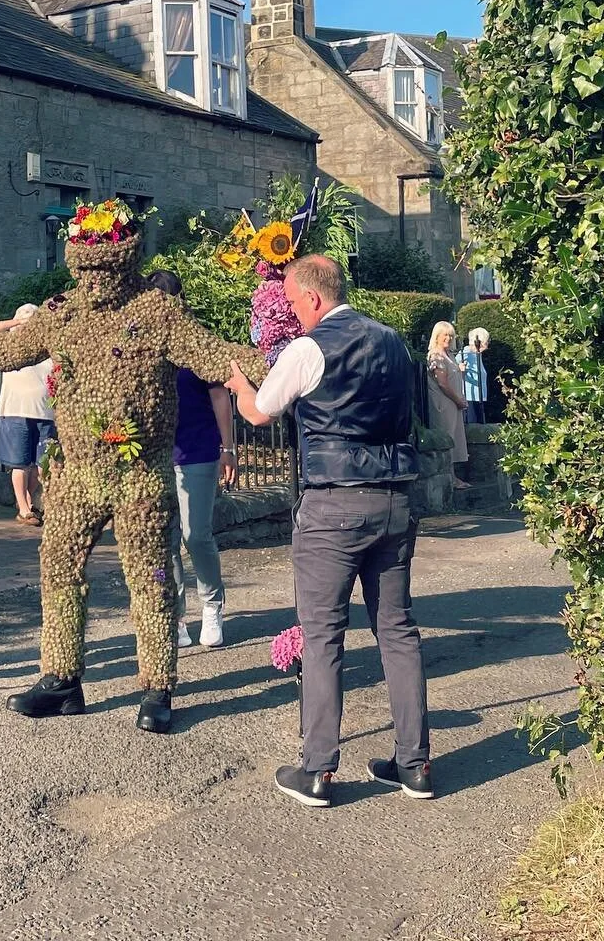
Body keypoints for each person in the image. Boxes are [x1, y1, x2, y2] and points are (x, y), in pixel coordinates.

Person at [0, 205, 265, 735]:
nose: (94, 280)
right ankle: (62, 678)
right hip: (73, 475)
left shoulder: (159, 313)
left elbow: (216, 356)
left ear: (126, 263)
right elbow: (11, 346)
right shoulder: (62, 313)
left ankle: (157, 686)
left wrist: (285, 363)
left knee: (151, 579)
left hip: (139, 475)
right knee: (58, 571)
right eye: (84, 270)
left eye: (104, 270)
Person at [227, 254, 432, 808]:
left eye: (293, 303)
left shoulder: (308, 347)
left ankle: (318, 769)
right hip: (394, 498)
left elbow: (261, 413)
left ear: (313, 298)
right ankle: (414, 765)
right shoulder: (394, 341)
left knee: (322, 637)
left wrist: (238, 382)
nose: (293, 313)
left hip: (333, 505)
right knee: (397, 630)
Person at [147, 270, 237, 649]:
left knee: (195, 535)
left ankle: (212, 606)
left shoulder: (195, 342)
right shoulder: (142, 342)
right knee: (163, 540)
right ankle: (176, 615)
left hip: (197, 449)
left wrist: (228, 448)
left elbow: (220, 396)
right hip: (153, 454)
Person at [0, 303, 56, 525]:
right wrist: (16, 323)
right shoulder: (9, 344)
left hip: (45, 411)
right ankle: (24, 509)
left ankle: (25, 499)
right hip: (15, 409)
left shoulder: (47, 345)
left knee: (41, 464)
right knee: (19, 463)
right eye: (24, 317)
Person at [427, 320, 470, 490]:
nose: (448, 337)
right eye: (445, 334)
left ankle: (453, 477)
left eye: (450, 335)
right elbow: (443, 383)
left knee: (454, 437)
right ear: (437, 336)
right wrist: (458, 400)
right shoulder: (435, 355)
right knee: (447, 437)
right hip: (443, 403)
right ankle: (450, 478)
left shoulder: (448, 355)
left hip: (453, 403)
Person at [461, 327, 490, 425]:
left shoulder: (477, 354)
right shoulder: (467, 352)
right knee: (473, 424)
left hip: (478, 397)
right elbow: (455, 367)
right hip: (470, 396)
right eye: (486, 342)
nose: (487, 345)